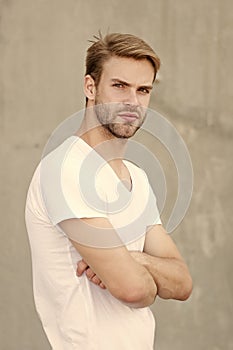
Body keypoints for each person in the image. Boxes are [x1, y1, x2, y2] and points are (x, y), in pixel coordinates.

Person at [25, 32, 192, 350]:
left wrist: (133, 259)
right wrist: (143, 274)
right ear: (90, 87)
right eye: (120, 86)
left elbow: (182, 282)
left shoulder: (137, 180)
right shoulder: (66, 169)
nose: (133, 102)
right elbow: (133, 291)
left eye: (143, 90)